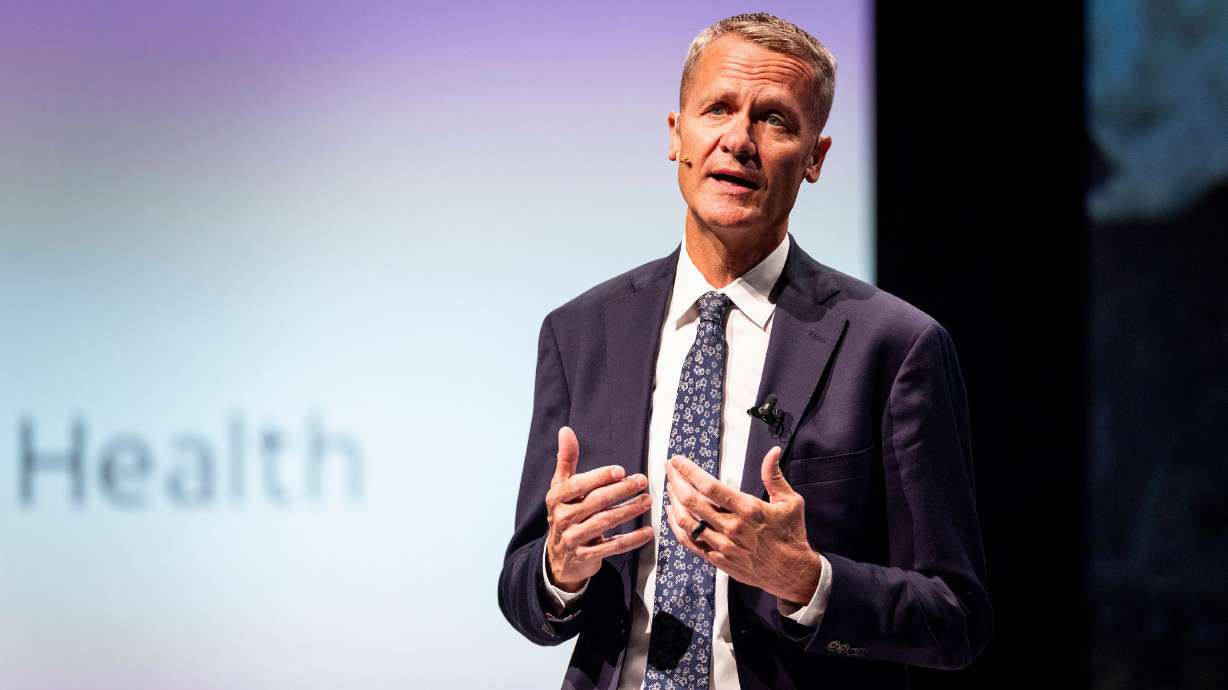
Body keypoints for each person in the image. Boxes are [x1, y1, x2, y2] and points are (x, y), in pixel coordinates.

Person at [498, 13, 992, 690]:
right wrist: (559, 568)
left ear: (815, 158)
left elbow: (955, 617)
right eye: (717, 110)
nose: (738, 140)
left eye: (774, 120)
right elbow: (523, 592)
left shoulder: (895, 347)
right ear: (677, 135)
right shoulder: (580, 333)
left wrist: (807, 579)